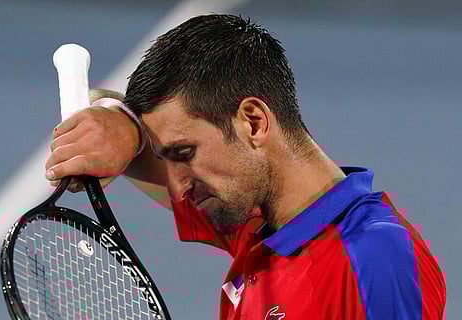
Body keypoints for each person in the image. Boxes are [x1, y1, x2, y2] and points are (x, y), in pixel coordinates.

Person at [45, 14, 446, 319]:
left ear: (253, 121)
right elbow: (110, 127)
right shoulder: (256, 221)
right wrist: (121, 122)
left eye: (184, 153)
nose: (177, 187)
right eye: (168, 158)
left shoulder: (372, 261)